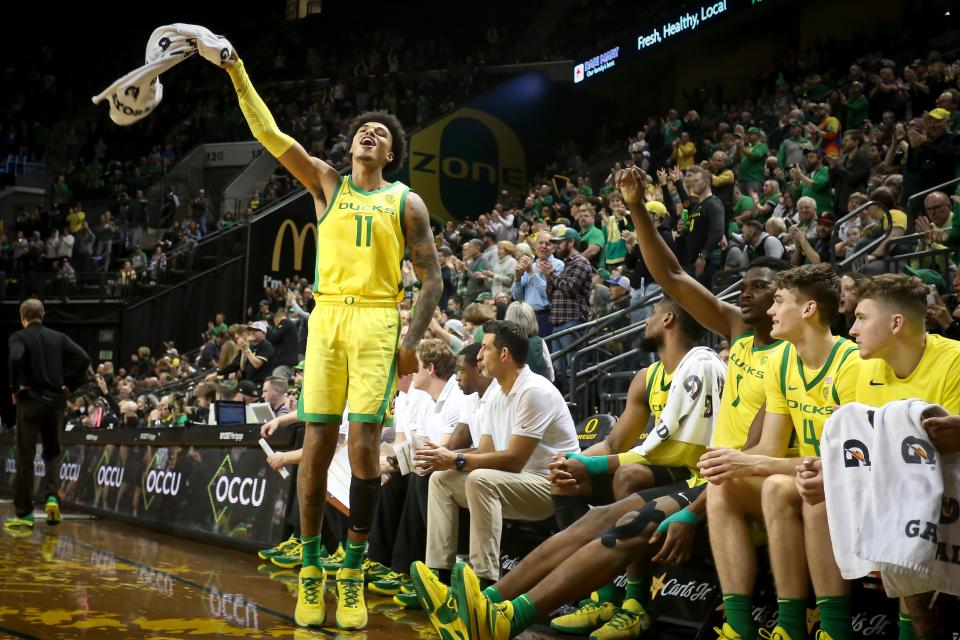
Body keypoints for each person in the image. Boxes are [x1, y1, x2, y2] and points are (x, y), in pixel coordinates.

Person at [211, 40, 442, 630]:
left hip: (376, 320)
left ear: (391, 153)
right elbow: (271, 135)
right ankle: (313, 569)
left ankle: (353, 568)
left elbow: (432, 278)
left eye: (380, 132)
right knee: (316, 448)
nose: (368, 133)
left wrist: (411, 337)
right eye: (362, 128)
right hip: (328, 318)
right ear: (351, 144)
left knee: (364, 449)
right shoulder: (326, 184)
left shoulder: (404, 201)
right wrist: (238, 71)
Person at [699, 264, 861, 640]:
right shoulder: (781, 361)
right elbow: (771, 445)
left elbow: (846, 463)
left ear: (807, 310)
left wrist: (749, 459)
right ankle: (741, 626)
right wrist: (735, 462)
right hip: (805, 476)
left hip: (849, 484)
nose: (770, 311)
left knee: (801, 488)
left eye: (778, 301)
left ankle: (832, 630)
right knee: (724, 484)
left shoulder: (853, 363)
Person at [5, 299, 90, 530]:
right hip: (55, 403)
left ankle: (24, 515)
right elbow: (83, 358)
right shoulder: (58, 337)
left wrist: (15, 387)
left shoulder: (19, 337)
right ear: (42, 314)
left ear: (23, 317)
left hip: (30, 400)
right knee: (52, 452)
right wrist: (69, 386)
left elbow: (14, 358)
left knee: (25, 456)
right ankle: (52, 497)